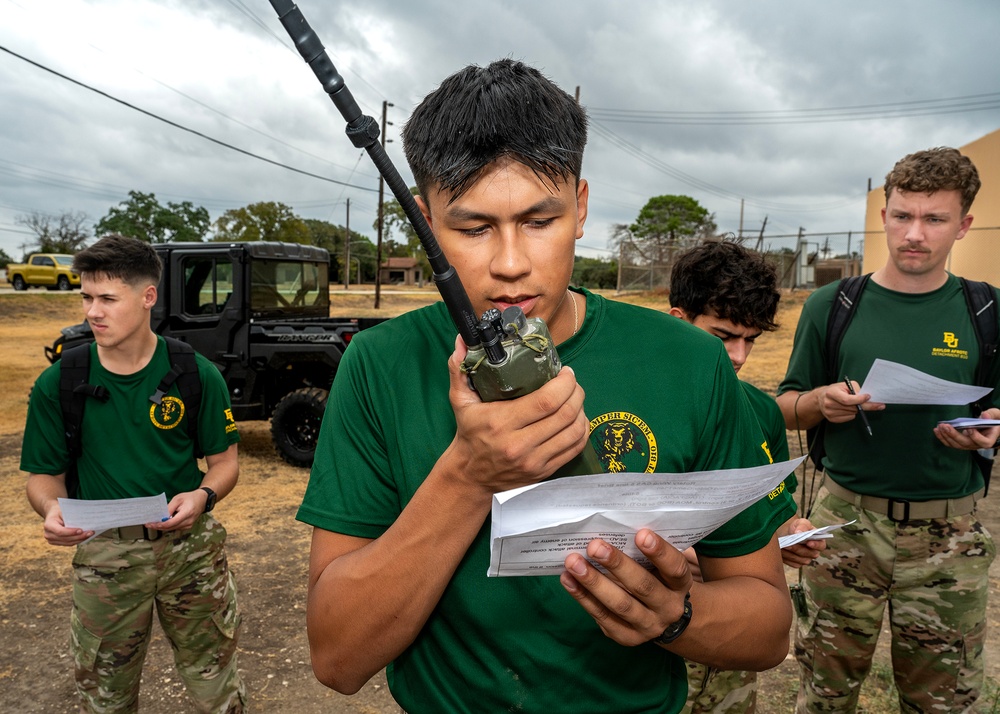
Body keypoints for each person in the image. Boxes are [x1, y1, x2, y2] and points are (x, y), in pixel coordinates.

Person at [296, 59, 796, 714]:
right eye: (473, 228)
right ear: (424, 224)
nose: (510, 264)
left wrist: (675, 617)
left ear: (581, 208)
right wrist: (469, 476)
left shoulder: (689, 362)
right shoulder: (379, 365)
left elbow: (767, 628)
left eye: (540, 221)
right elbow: (337, 657)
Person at [775, 147, 1000, 713]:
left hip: (949, 537)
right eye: (902, 216)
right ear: (884, 217)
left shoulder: (986, 311)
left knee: (943, 703)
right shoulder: (834, 304)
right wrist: (820, 403)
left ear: (964, 225)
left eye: (935, 219)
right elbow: (785, 404)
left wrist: (989, 431)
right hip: (846, 527)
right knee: (824, 695)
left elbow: (997, 412)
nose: (914, 234)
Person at [20, 234, 245, 713]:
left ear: (147, 297)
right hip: (106, 562)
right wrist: (51, 507)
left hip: (191, 556)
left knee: (217, 691)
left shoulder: (195, 374)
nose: (92, 312)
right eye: (86, 297)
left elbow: (224, 463)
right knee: (106, 698)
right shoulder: (60, 382)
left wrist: (203, 495)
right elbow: (43, 477)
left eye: (107, 298)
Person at [668, 239, 826, 714]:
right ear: (679, 321)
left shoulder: (760, 412)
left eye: (750, 339)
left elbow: (773, 513)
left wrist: (791, 533)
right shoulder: (642, 407)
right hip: (653, 635)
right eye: (722, 337)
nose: (738, 355)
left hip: (731, 640)